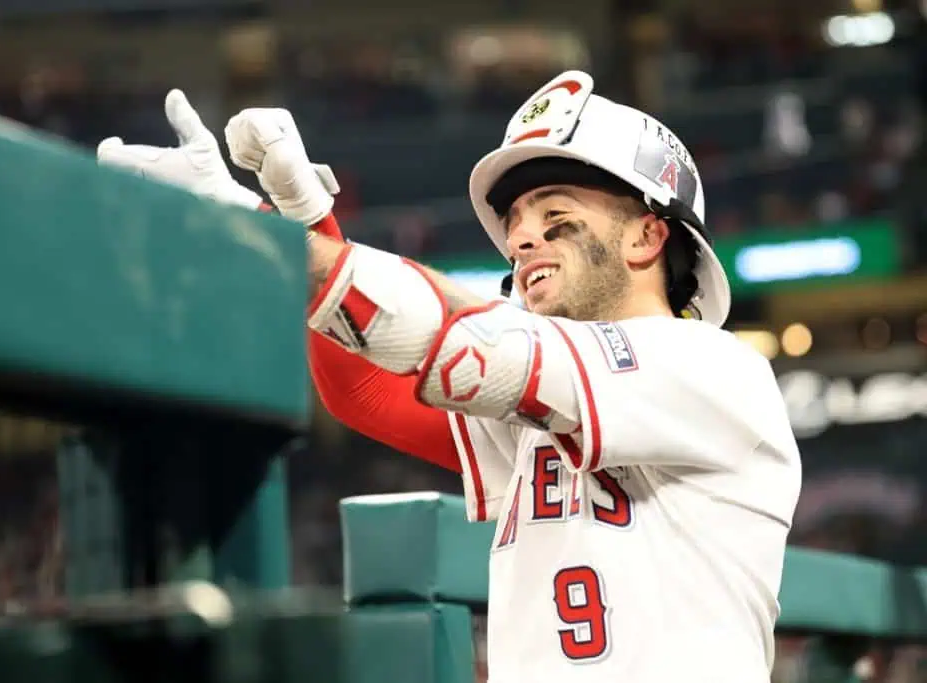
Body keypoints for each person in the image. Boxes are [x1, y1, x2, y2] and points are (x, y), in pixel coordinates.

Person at [99, 71, 802, 683]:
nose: (523, 237)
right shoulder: (552, 393)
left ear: (648, 236)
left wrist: (273, 232)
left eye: (556, 217)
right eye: (517, 222)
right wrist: (302, 221)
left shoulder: (715, 370)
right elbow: (368, 390)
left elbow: (449, 334)